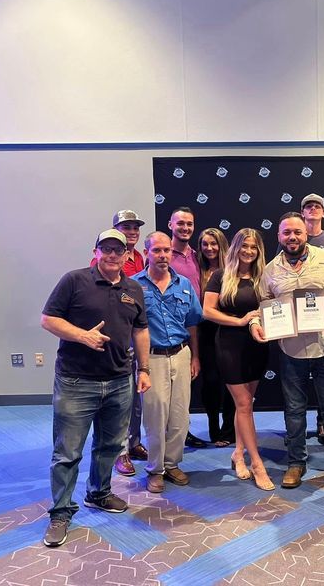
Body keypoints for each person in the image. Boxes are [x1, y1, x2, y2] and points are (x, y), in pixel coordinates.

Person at [41, 228, 150, 548]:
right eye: (107, 249)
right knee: (67, 452)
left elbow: (140, 331)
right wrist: (82, 335)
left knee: (109, 446)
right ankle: (60, 512)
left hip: (119, 381)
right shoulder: (74, 281)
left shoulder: (134, 288)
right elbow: (48, 319)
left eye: (119, 249)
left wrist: (143, 369)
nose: (113, 254)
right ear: (96, 251)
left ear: (127, 254)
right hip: (76, 382)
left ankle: (98, 493)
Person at [251, 212, 324, 493]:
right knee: (294, 411)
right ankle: (296, 463)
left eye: (297, 232)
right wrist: (258, 322)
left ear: (306, 234)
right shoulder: (270, 270)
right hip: (290, 350)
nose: (292, 238)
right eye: (286, 233)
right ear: (279, 236)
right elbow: (263, 304)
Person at [132, 231, 203, 493]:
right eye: (157, 251)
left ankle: (172, 464)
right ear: (147, 252)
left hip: (181, 353)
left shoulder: (184, 284)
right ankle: (155, 469)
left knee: (179, 415)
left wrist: (195, 356)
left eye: (167, 251)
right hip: (151, 358)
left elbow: (193, 323)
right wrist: (141, 366)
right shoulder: (133, 285)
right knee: (155, 415)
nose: (163, 256)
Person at [203, 228, 273, 491]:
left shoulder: (262, 278)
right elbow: (207, 311)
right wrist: (239, 321)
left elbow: (267, 309)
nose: (249, 252)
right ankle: (257, 463)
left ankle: (238, 454)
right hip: (230, 346)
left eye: (254, 247)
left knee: (246, 406)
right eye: (244, 246)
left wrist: (257, 321)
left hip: (256, 346)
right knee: (243, 404)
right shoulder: (221, 276)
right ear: (235, 248)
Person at [90, 210, 149, 478]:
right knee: (119, 402)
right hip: (114, 341)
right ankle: (120, 451)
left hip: (136, 332)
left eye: (135, 227)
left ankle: (134, 442)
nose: (133, 231)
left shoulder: (140, 257)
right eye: (126, 227)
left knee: (136, 398)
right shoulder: (105, 260)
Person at [167, 206, 207, 449]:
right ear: (171, 225)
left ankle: (182, 431)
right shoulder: (162, 253)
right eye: (180, 223)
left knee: (184, 389)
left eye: (189, 224)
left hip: (192, 327)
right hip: (166, 331)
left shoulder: (196, 255)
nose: (185, 228)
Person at [196, 228, 236, 447]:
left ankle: (229, 429)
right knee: (210, 383)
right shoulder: (197, 270)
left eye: (214, 244)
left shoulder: (232, 271)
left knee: (232, 382)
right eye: (204, 244)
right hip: (205, 333)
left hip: (229, 331)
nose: (209, 248)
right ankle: (214, 428)